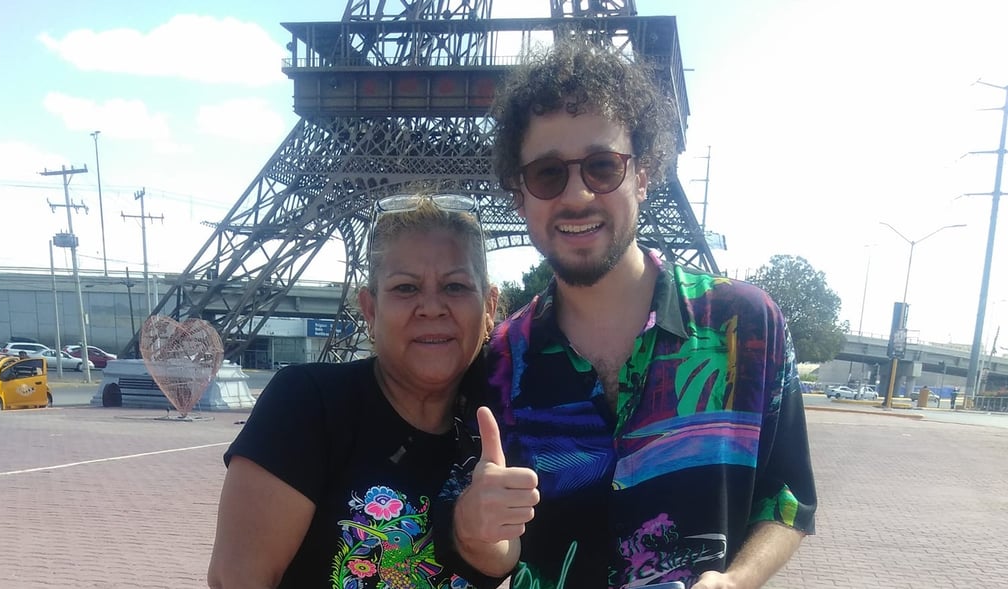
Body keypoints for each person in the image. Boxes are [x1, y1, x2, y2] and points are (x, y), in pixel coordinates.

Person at [440, 37, 817, 589]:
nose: (577, 196)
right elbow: (483, 551)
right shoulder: (496, 361)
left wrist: (738, 580)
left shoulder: (748, 327)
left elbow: (787, 499)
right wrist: (474, 533)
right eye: (547, 174)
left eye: (602, 166)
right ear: (520, 194)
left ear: (643, 174)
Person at [207, 194, 500, 588]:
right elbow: (237, 580)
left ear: (489, 308)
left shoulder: (506, 422)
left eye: (456, 286)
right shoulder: (308, 405)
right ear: (370, 309)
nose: (432, 307)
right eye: (406, 288)